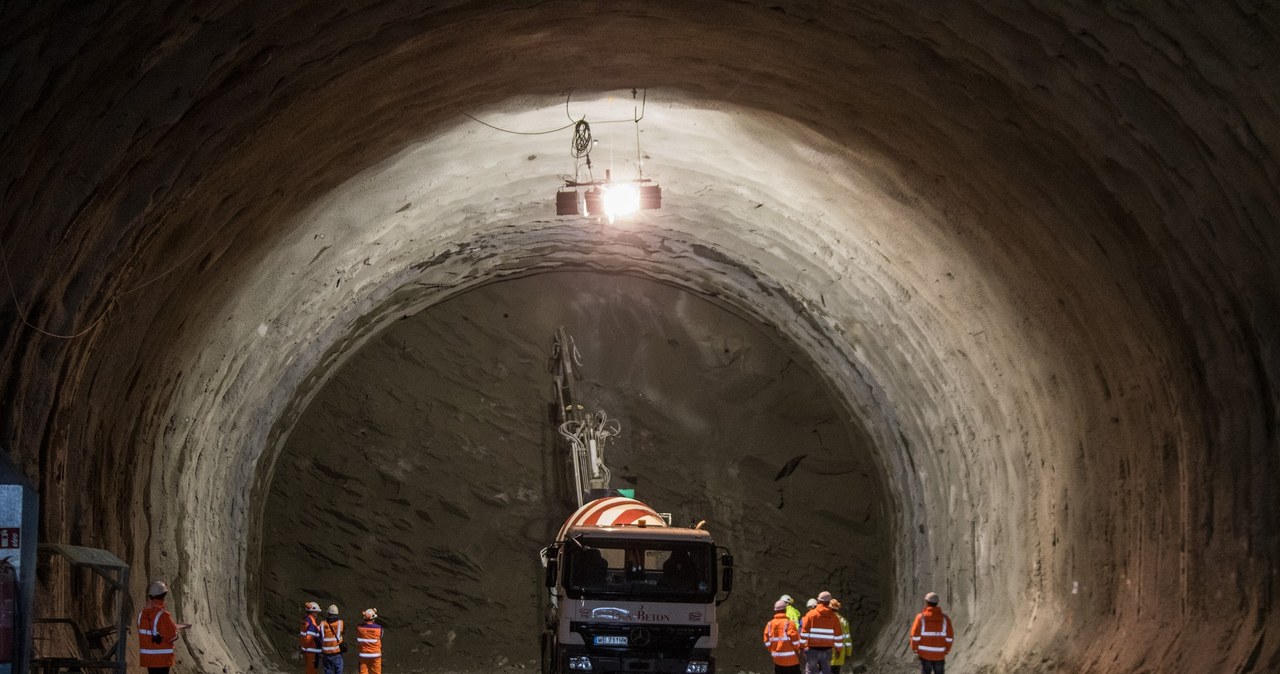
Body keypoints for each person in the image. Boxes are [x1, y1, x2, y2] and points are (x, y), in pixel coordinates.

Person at [136, 580, 190, 674]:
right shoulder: (163, 615)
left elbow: (149, 630)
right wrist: (177, 631)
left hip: (148, 659)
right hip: (161, 660)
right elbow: (171, 636)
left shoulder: (141, 614)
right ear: (163, 596)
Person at [910, 592, 954, 674]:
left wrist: (915, 648)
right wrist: (947, 650)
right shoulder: (945, 619)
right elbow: (949, 637)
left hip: (925, 654)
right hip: (940, 654)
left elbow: (915, 635)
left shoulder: (920, 617)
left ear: (926, 602)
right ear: (937, 603)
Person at [800, 591, 843, 674]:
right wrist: (838, 650)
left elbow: (804, 632)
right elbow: (838, 636)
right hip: (827, 650)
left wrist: (801, 646)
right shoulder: (834, 617)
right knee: (826, 671)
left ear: (818, 601)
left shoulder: (810, 614)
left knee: (811, 671)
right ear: (829, 602)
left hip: (813, 650)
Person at [763, 599, 804, 674]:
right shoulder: (789, 623)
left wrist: (773, 651)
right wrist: (799, 650)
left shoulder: (769, 624)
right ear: (785, 610)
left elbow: (766, 641)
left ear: (775, 611)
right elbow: (795, 641)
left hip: (778, 660)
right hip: (792, 661)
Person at [355, 608, 384, 674]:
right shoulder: (379, 628)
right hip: (376, 655)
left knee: (363, 672)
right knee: (376, 672)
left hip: (364, 655)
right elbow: (380, 636)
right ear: (373, 619)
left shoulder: (359, 628)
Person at [320, 604, 347, 674]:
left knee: (328, 671)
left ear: (328, 613)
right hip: (337, 653)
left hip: (326, 654)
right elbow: (343, 632)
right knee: (338, 671)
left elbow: (320, 636)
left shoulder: (322, 624)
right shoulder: (341, 623)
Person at [299, 601, 324, 674]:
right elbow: (309, 638)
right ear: (312, 612)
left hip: (307, 651)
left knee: (309, 671)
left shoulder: (306, 620)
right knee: (312, 671)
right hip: (312, 652)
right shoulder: (312, 622)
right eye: (316, 612)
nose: (316, 614)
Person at [828, 598, 852, 674]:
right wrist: (848, 653)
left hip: (826, 652)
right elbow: (848, 640)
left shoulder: (825, 620)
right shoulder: (844, 621)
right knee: (835, 671)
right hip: (839, 653)